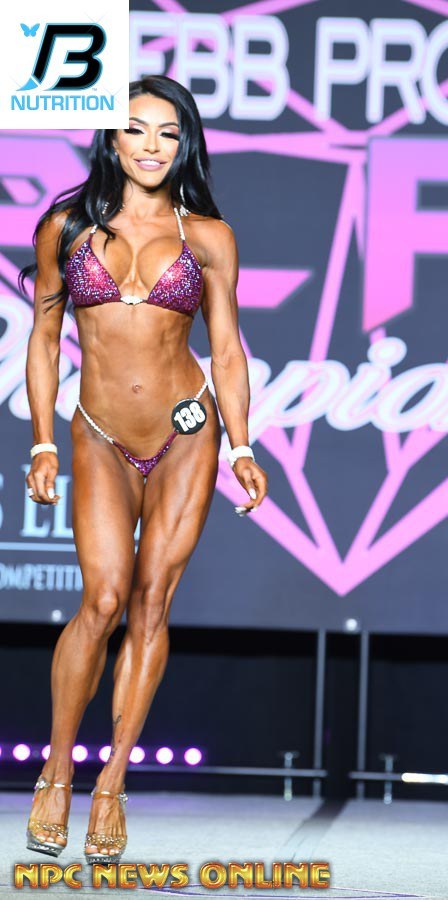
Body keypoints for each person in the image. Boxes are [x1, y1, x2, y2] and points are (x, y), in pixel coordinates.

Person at [18, 75, 267, 864]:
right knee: (102, 600)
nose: (152, 145)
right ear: (112, 138)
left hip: (186, 435)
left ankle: (111, 783)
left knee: (152, 604)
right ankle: (56, 769)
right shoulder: (65, 228)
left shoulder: (209, 238)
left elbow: (226, 350)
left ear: (184, 144)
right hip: (97, 435)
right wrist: (43, 442)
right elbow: (43, 339)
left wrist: (241, 444)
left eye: (168, 132)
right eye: (136, 128)